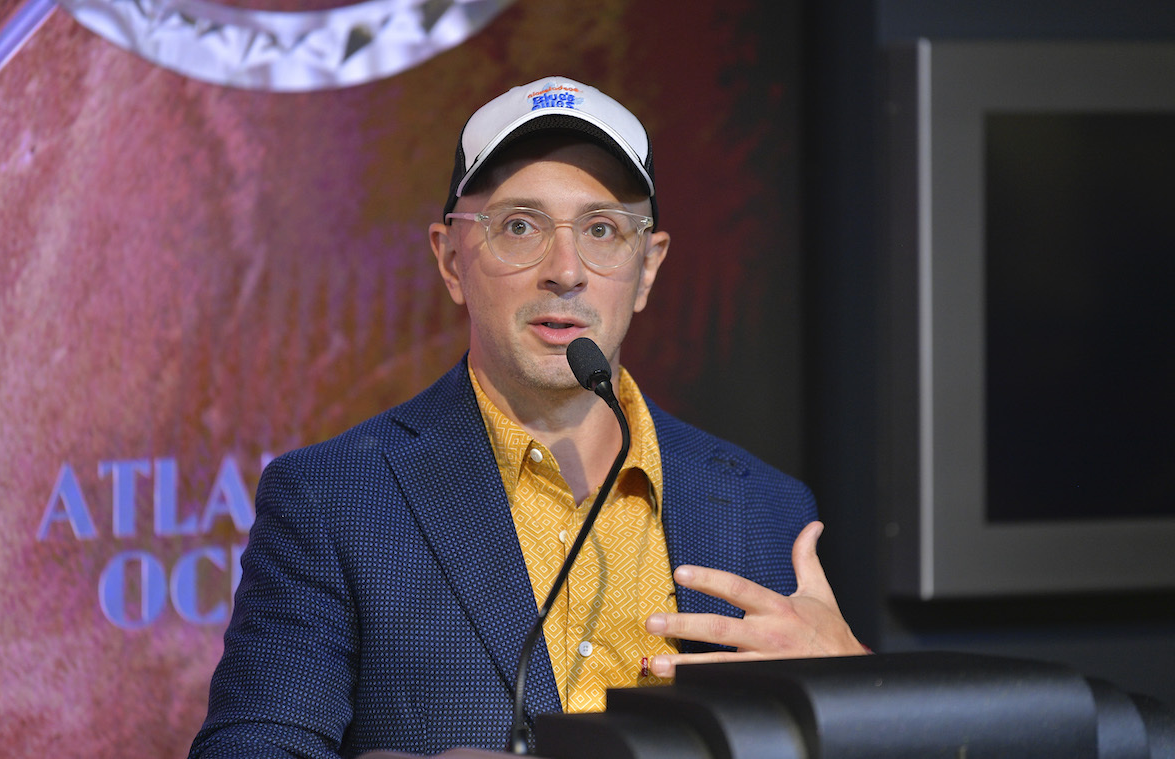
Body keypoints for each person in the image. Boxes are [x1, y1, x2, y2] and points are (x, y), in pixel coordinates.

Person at [188, 76, 865, 759]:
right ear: (451, 258)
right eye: (519, 225)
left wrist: (855, 690)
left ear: (649, 266)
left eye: (602, 229)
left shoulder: (765, 507)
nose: (564, 270)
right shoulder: (334, 499)